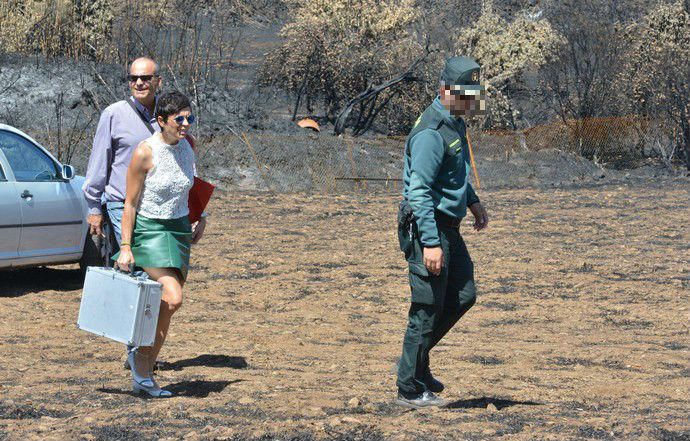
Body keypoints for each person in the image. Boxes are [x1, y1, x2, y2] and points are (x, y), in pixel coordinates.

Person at [395, 56, 490, 409]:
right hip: (428, 227)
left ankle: (416, 362)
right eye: (467, 94)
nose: (472, 100)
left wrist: (474, 202)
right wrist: (430, 243)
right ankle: (409, 386)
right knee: (426, 307)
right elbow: (418, 191)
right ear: (446, 90)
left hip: (449, 225)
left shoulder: (455, 124)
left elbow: (456, 175)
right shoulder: (431, 132)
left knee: (464, 294)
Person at [114, 91, 207, 397]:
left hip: (179, 231)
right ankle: (142, 367)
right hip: (150, 232)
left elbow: (189, 185)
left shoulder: (188, 147)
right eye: (179, 119)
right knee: (173, 296)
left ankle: (143, 366)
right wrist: (126, 246)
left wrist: (200, 217)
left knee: (165, 306)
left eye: (189, 117)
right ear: (161, 121)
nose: (185, 124)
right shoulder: (145, 152)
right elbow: (130, 203)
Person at [82, 57, 162, 255]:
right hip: (122, 205)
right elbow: (99, 161)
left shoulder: (169, 113)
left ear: (158, 81)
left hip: (159, 205)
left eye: (145, 77)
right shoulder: (114, 114)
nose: (139, 83)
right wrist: (94, 208)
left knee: (159, 267)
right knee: (140, 263)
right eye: (133, 78)